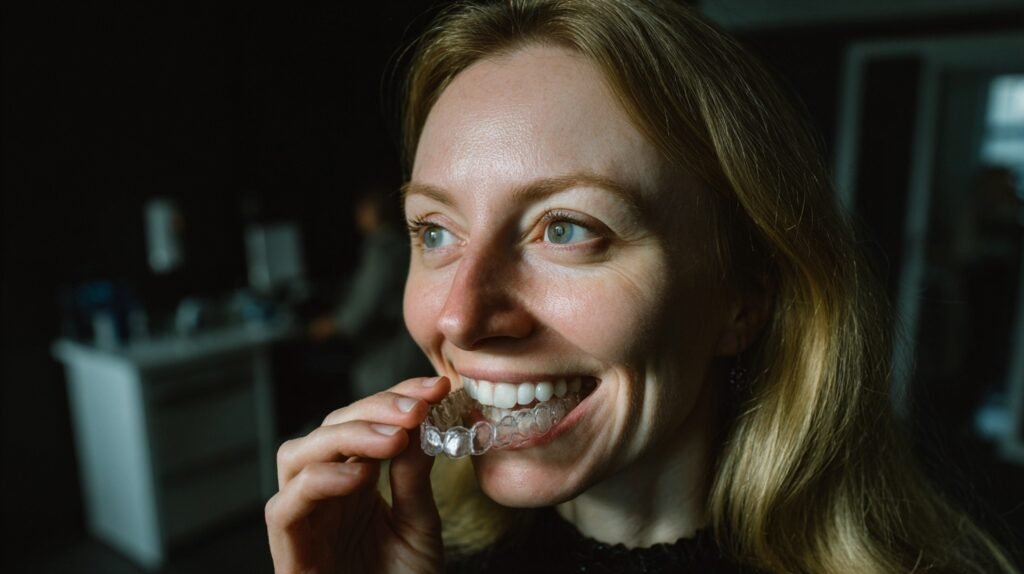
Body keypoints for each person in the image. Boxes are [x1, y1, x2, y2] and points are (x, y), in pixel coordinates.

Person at [266, 1, 1021, 572]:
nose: (459, 315)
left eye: (565, 228)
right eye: (435, 231)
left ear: (742, 300)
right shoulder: (407, 555)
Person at [308, 184, 431, 400]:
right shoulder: (402, 243)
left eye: (363, 209)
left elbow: (362, 310)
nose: (359, 216)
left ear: (375, 211)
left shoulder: (381, 250)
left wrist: (330, 325)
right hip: (411, 353)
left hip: (388, 360)